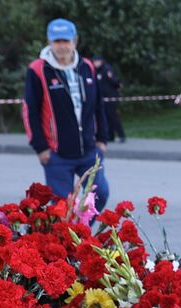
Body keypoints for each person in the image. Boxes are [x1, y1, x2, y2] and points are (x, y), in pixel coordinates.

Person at [23, 18, 110, 209]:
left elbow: (98, 105)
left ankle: (81, 235)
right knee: (62, 207)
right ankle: (72, 237)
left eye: (66, 41)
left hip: (88, 150)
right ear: (49, 42)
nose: (62, 46)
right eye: (57, 41)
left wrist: (102, 139)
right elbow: (30, 111)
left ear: (75, 41)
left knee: (100, 195)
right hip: (57, 153)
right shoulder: (38, 69)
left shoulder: (86, 66)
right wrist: (41, 148)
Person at [90, 54, 126, 144]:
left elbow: (116, 82)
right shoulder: (95, 71)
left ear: (101, 61)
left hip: (111, 97)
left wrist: (116, 83)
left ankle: (121, 135)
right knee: (105, 117)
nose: (95, 63)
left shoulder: (107, 69)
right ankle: (110, 136)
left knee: (113, 117)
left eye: (97, 62)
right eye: (94, 62)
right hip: (102, 98)